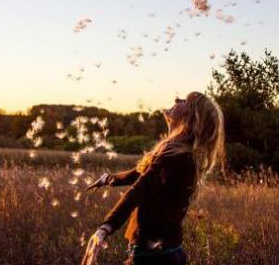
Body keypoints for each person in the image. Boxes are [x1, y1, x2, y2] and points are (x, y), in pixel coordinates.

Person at [81, 91, 226, 265]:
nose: (176, 99)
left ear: (188, 117)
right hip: (167, 253)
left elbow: (139, 188)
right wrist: (108, 179)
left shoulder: (175, 155)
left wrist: (105, 228)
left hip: (154, 257)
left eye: (184, 101)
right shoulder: (179, 152)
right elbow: (140, 173)